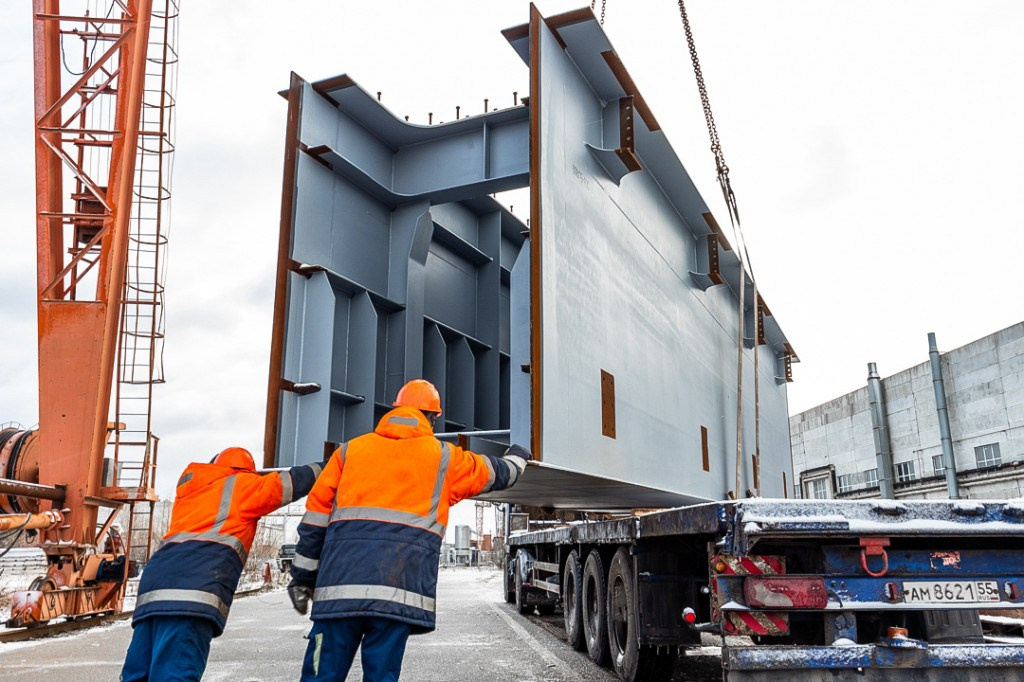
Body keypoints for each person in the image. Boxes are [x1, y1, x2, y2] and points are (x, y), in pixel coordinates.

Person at [288, 379, 531, 682]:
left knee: (319, 676)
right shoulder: (444, 457)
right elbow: (498, 473)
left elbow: (313, 524)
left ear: (396, 409)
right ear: (431, 417)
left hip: (337, 595)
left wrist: (302, 579)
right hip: (397, 593)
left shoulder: (349, 452)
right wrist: (519, 455)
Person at [121, 447, 323, 681]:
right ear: (244, 471)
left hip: (153, 589)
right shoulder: (241, 486)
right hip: (191, 593)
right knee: (175, 673)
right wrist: (336, 461)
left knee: (137, 674)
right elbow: (292, 482)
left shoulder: (192, 492)